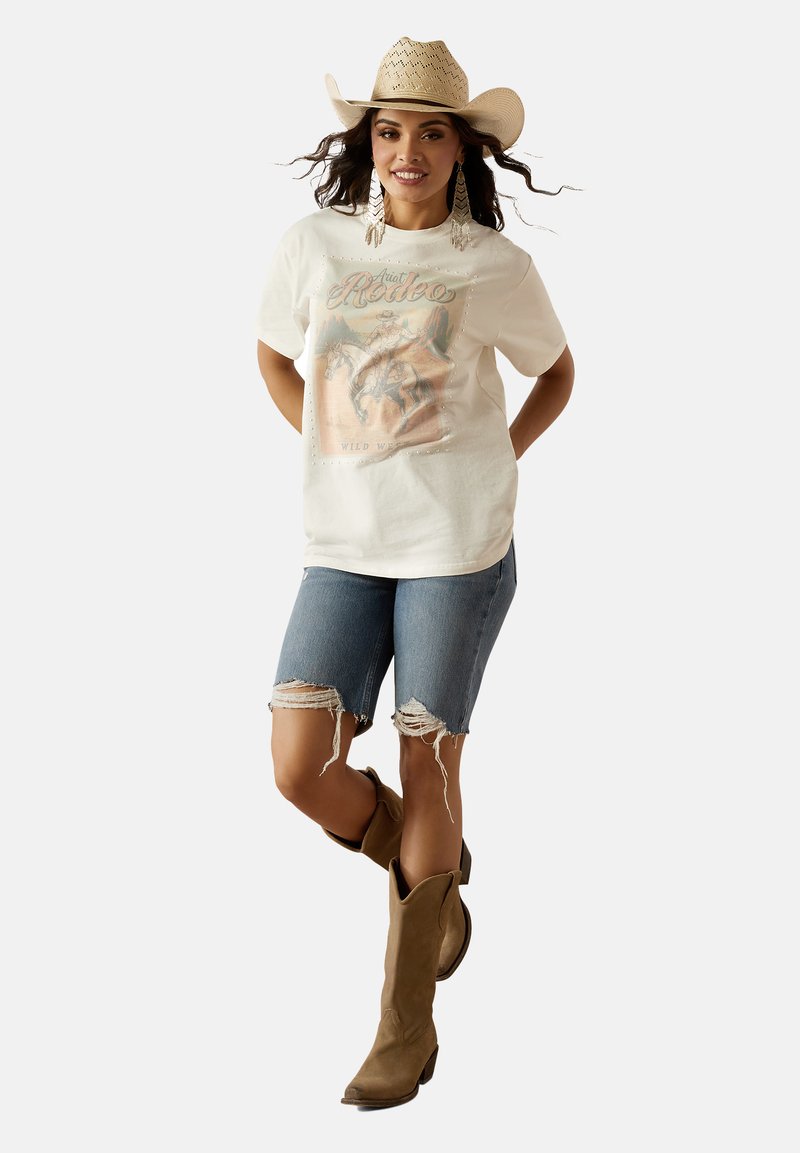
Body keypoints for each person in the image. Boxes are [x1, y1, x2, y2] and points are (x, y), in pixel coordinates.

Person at [255, 36, 575, 1109]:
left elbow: (557, 372)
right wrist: (332, 443)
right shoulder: (313, 246)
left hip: (456, 548)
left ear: (461, 150)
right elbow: (271, 353)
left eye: (431, 133)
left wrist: (498, 460)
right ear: (367, 143)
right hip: (342, 544)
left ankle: (405, 1027)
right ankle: (425, 873)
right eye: (389, 131)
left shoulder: (492, 266)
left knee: (426, 758)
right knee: (299, 764)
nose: (408, 151)